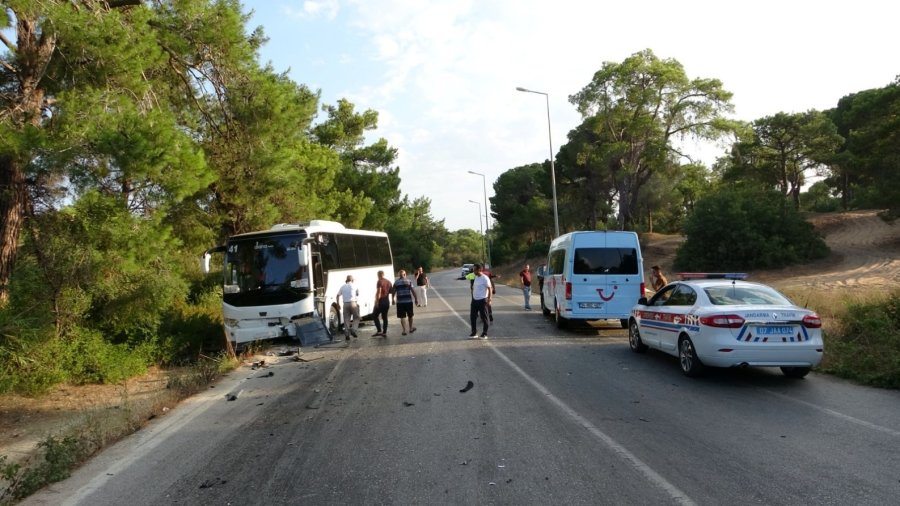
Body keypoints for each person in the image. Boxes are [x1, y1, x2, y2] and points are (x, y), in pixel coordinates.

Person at [391, 269, 419, 335]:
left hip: (400, 302)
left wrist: (392, 299)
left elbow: (393, 292)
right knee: (410, 315)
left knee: (402, 317)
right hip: (408, 301)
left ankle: (404, 330)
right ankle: (411, 328)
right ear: (405, 274)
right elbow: (413, 291)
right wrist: (416, 299)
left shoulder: (396, 282)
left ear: (399, 275)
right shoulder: (409, 281)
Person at [469, 264, 492, 339]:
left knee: (484, 317)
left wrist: (489, 299)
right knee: (472, 317)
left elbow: (490, 289)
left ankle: (485, 333)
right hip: (474, 300)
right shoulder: (476, 277)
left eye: (474, 269)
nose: (473, 271)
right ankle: (474, 332)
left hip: (482, 300)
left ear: (479, 270)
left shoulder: (485, 278)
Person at [335, 274, 359, 341]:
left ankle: (347, 334)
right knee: (356, 317)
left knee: (346, 319)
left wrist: (337, 304)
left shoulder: (343, 286)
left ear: (346, 280)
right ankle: (353, 330)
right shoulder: (355, 285)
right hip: (353, 303)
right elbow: (357, 294)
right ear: (352, 280)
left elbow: (337, 295)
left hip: (345, 304)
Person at [372, 270, 393, 337]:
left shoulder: (379, 281)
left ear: (379, 275)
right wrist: (393, 299)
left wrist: (377, 301)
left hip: (381, 301)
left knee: (374, 315)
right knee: (384, 317)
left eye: (377, 275)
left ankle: (379, 330)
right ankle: (384, 332)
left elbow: (379, 292)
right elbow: (391, 292)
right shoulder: (389, 282)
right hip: (386, 301)